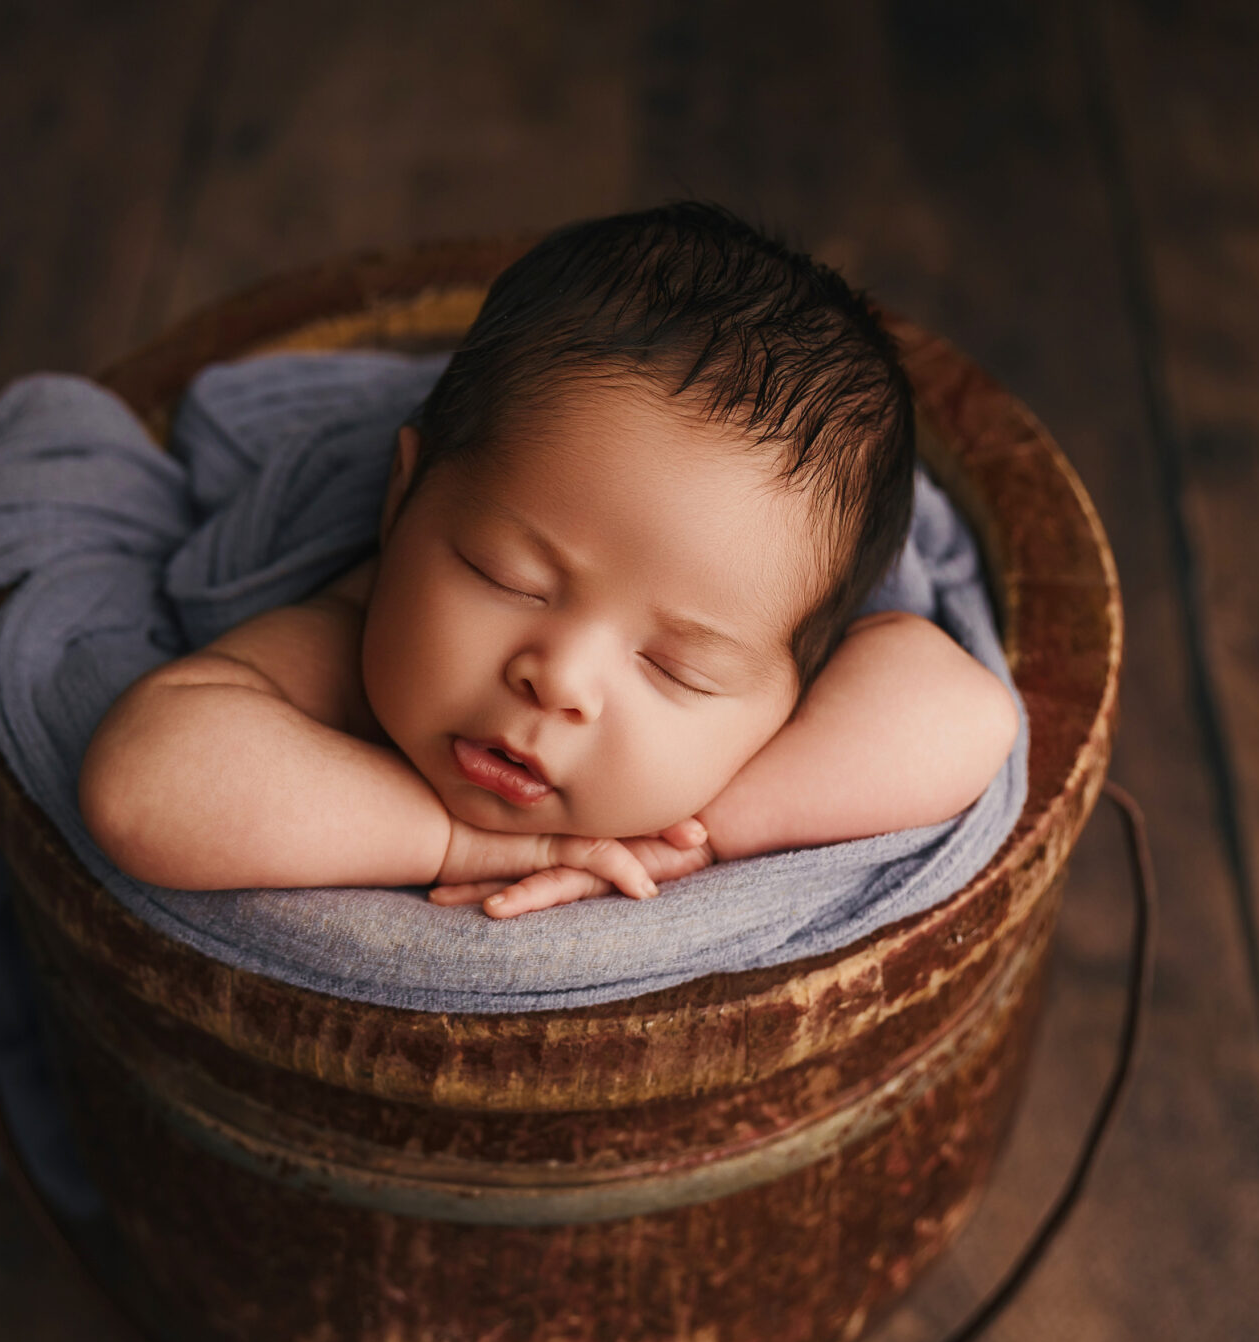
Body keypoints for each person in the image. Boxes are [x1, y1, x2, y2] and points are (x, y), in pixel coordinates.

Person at [78, 204, 1018, 920]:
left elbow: (967, 711)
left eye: (674, 666)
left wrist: (699, 831)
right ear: (401, 501)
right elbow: (142, 786)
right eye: (506, 575)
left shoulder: (762, 737)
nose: (560, 676)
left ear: (790, 695)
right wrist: (448, 840)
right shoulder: (343, 642)